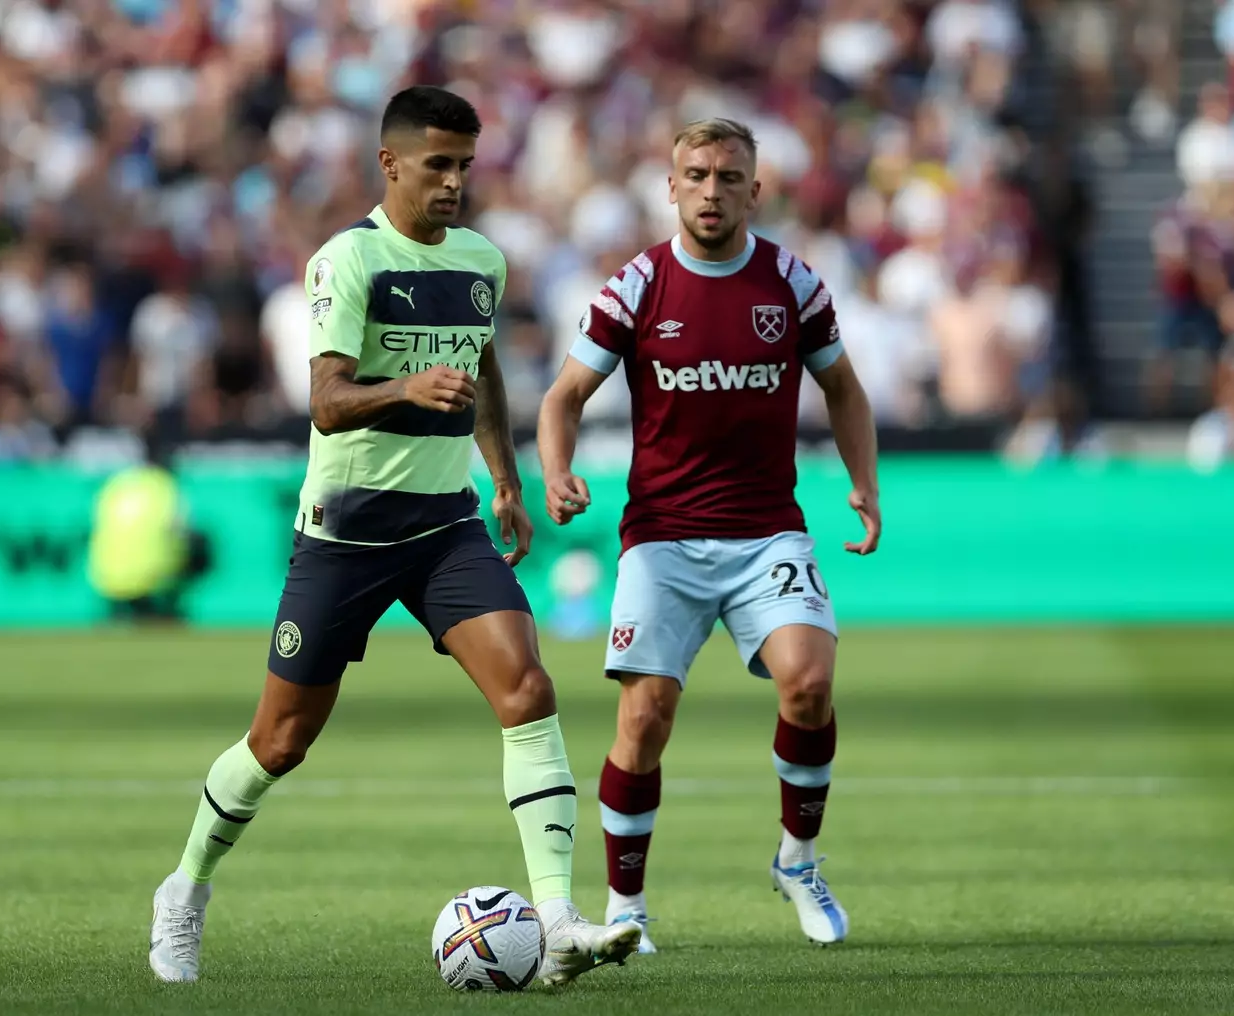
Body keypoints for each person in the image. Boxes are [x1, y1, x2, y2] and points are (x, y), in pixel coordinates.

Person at [148, 86, 640, 985]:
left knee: (529, 688)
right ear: (391, 164)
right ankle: (185, 888)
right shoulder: (349, 260)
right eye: (438, 165)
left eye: (465, 165)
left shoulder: (482, 260)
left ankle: (562, 916)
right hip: (344, 536)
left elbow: (483, 371)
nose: (454, 182)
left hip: (444, 526)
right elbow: (327, 402)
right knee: (281, 742)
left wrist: (503, 479)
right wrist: (405, 390)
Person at [537, 119, 882, 951]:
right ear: (670, 185)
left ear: (755, 191)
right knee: (644, 720)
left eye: (729, 177)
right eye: (695, 175)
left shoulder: (792, 283)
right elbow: (562, 398)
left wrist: (864, 483)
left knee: (808, 683)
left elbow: (844, 390)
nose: (711, 191)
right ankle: (626, 907)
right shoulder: (637, 286)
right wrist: (555, 471)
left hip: (768, 534)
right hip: (662, 536)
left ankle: (797, 860)